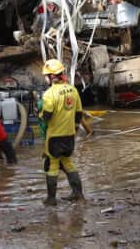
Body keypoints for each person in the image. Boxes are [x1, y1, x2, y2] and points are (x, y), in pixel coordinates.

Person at [40, 59, 85, 206]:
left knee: (52, 165)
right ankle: (78, 194)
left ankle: (51, 199)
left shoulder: (49, 94)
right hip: (69, 136)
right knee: (67, 162)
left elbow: (46, 117)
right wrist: (75, 128)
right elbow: (79, 113)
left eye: (46, 75)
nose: (45, 78)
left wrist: (39, 114)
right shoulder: (73, 90)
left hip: (54, 137)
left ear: (52, 76)